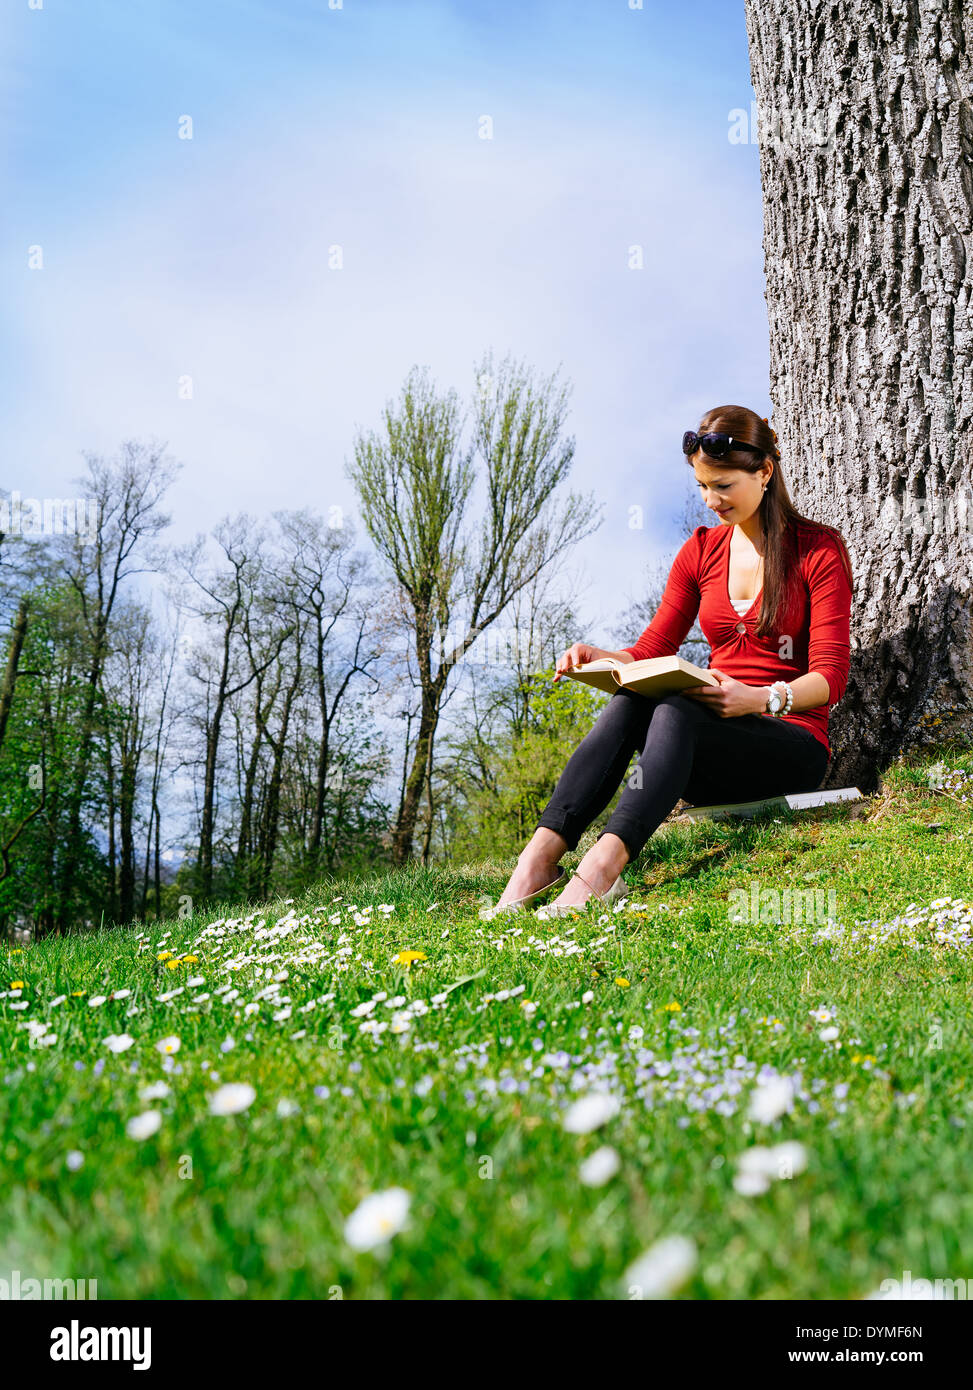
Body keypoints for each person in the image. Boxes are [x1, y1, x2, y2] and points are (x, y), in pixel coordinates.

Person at [491, 404, 853, 916]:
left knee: (677, 709)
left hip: (790, 745)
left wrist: (759, 698)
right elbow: (649, 651)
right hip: (705, 750)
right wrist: (601, 656)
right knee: (631, 697)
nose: (711, 501)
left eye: (723, 486)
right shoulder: (700, 551)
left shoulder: (818, 549)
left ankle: (601, 870)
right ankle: (539, 858)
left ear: (765, 472)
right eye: (702, 487)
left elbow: (831, 677)